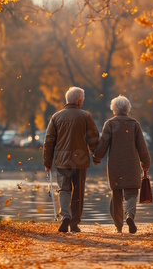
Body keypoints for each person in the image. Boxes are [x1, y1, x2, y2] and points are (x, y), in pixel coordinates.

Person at [43, 86, 100, 233]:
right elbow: (93, 137)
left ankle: (65, 216)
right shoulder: (85, 116)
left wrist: (47, 162)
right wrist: (96, 155)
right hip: (80, 161)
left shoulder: (56, 117)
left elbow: (49, 141)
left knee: (64, 189)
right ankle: (74, 223)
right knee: (78, 191)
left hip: (62, 161)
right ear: (79, 101)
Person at [93, 95, 151, 234]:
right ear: (128, 108)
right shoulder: (134, 124)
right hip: (132, 165)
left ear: (114, 109)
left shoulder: (110, 124)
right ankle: (129, 216)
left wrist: (97, 157)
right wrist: (146, 163)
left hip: (115, 166)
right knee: (131, 195)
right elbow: (142, 146)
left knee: (116, 196)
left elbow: (103, 144)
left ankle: (118, 226)